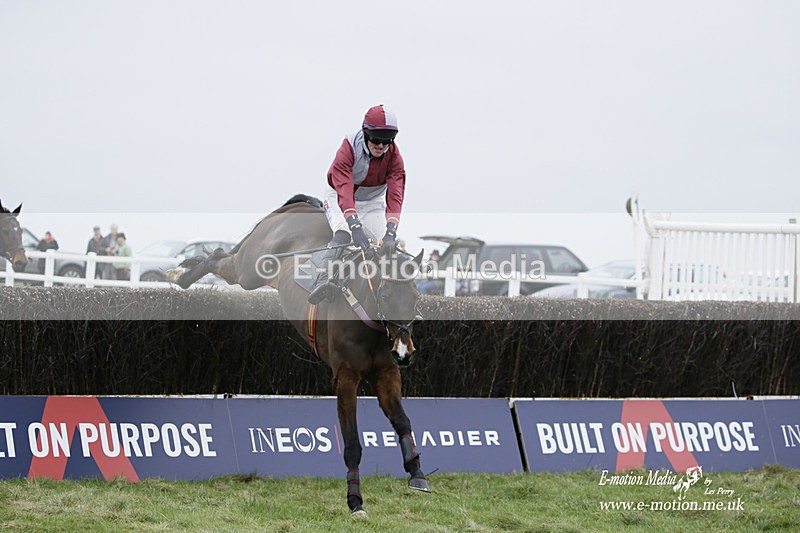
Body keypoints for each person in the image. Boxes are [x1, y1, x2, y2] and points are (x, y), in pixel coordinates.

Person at [308, 104, 406, 304]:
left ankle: (397, 299)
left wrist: (390, 233)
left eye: (387, 142)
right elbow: (344, 190)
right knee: (344, 232)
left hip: (371, 202)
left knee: (387, 247)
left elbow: (395, 195)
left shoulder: (395, 157)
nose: (381, 146)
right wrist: (355, 226)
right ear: (365, 133)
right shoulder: (348, 148)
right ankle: (323, 279)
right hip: (338, 195)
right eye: (376, 140)